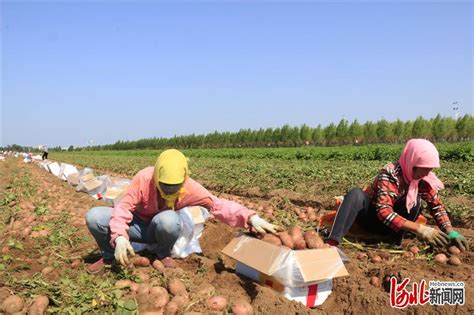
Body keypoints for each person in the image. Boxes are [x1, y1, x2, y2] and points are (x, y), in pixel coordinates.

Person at [85, 149, 282, 273]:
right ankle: (110, 257)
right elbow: (123, 207)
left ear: (184, 178)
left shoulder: (190, 186)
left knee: (169, 219)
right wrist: (119, 236)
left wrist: (251, 217)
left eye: (174, 186)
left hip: (160, 229)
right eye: (165, 186)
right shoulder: (144, 179)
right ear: (157, 176)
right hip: (134, 226)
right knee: (94, 216)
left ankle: (163, 254)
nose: (170, 190)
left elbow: (217, 205)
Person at [326, 139, 468, 252]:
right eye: (425, 169)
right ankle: (333, 242)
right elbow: (383, 212)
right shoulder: (390, 174)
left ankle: (393, 241)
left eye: (430, 169)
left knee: (414, 201)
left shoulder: (423, 179)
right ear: (413, 163)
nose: (427, 173)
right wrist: (420, 229)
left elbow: (436, 206)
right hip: (372, 219)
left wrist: (450, 231)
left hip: (394, 228)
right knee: (356, 194)